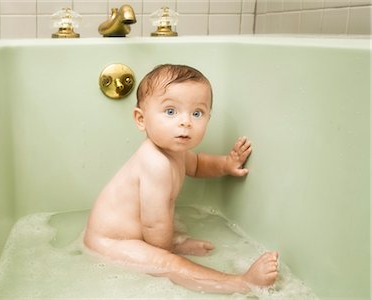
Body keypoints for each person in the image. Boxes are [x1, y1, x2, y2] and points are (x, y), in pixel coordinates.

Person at [83, 64, 279, 294]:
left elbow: (197, 165)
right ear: (141, 119)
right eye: (170, 112)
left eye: (197, 113)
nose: (186, 122)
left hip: (129, 236)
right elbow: (153, 224)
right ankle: (242, 283)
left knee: (167, 256)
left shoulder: (174, 152)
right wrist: (168, 251)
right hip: (112, 242)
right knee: (170, 265)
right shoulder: (155, 163)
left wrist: (227, 164)